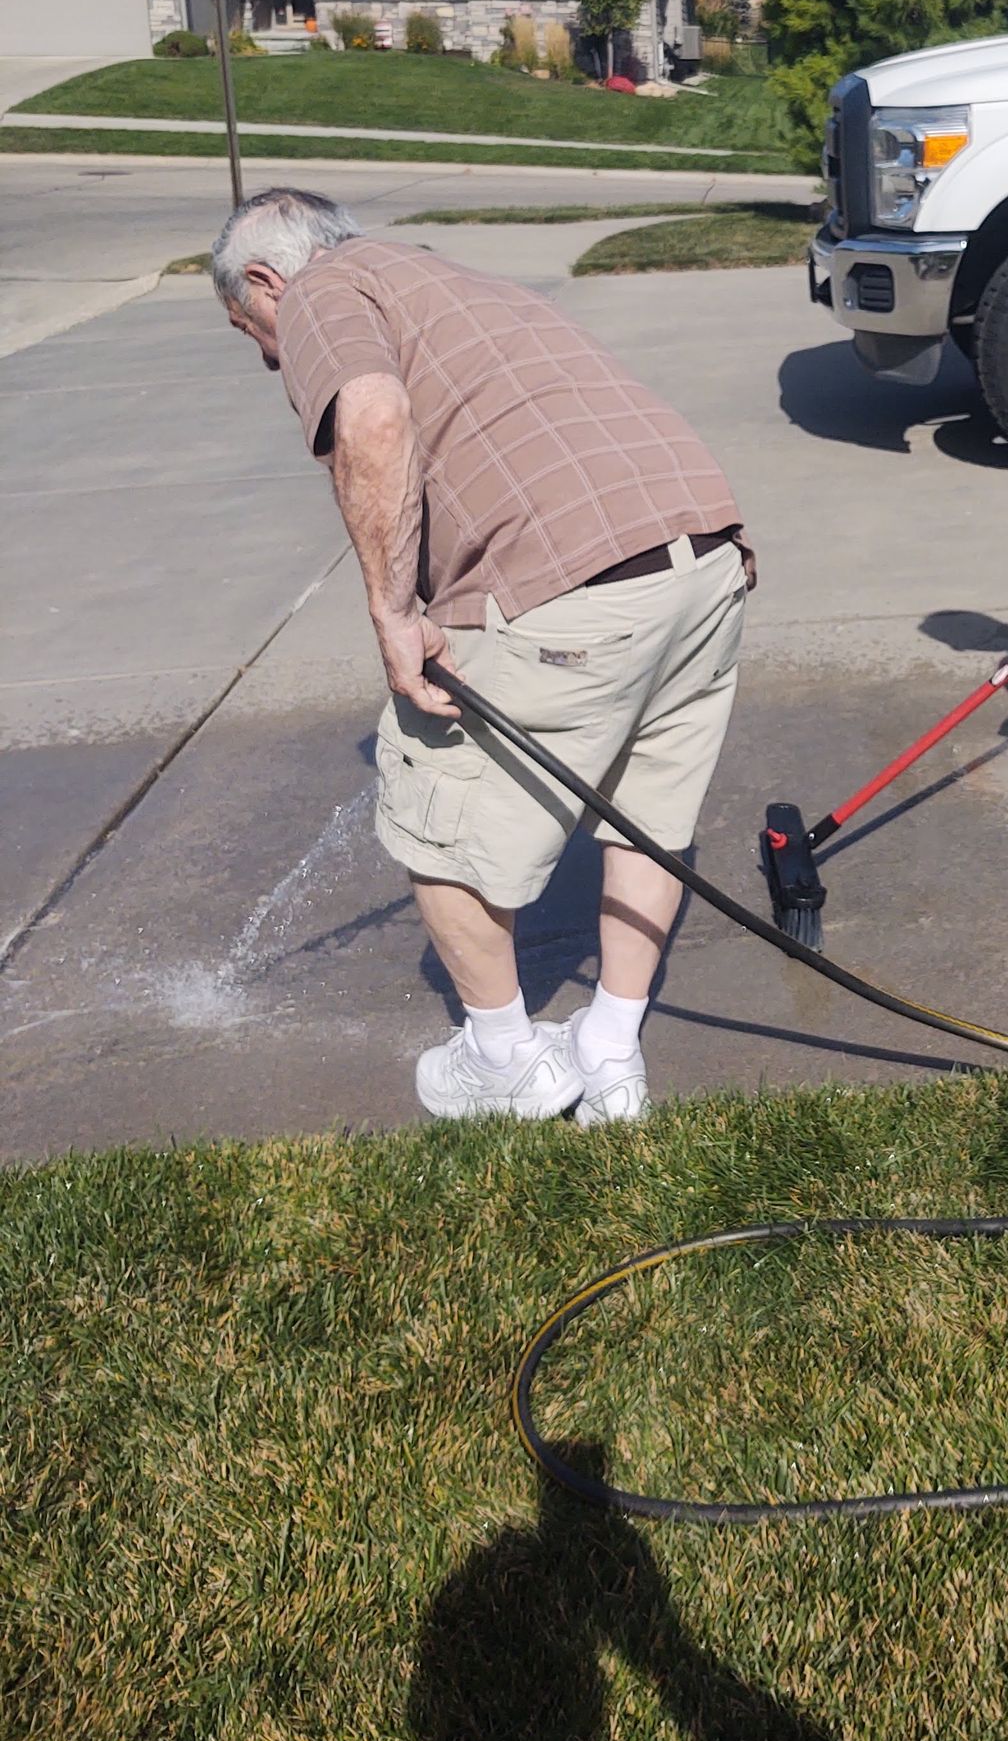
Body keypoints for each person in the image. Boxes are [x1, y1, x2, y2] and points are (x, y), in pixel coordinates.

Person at [211, 187, 752, 1121]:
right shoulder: (443, 274)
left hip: (569, 588)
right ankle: (611, 1055)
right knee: (645, 813)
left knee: (432, 814)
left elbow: (372, 422)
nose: (269, 356)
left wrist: (391, 613)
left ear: (265, 279)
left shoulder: (320, 293)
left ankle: (505, 1058)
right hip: (704, 557)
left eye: (248, 326)